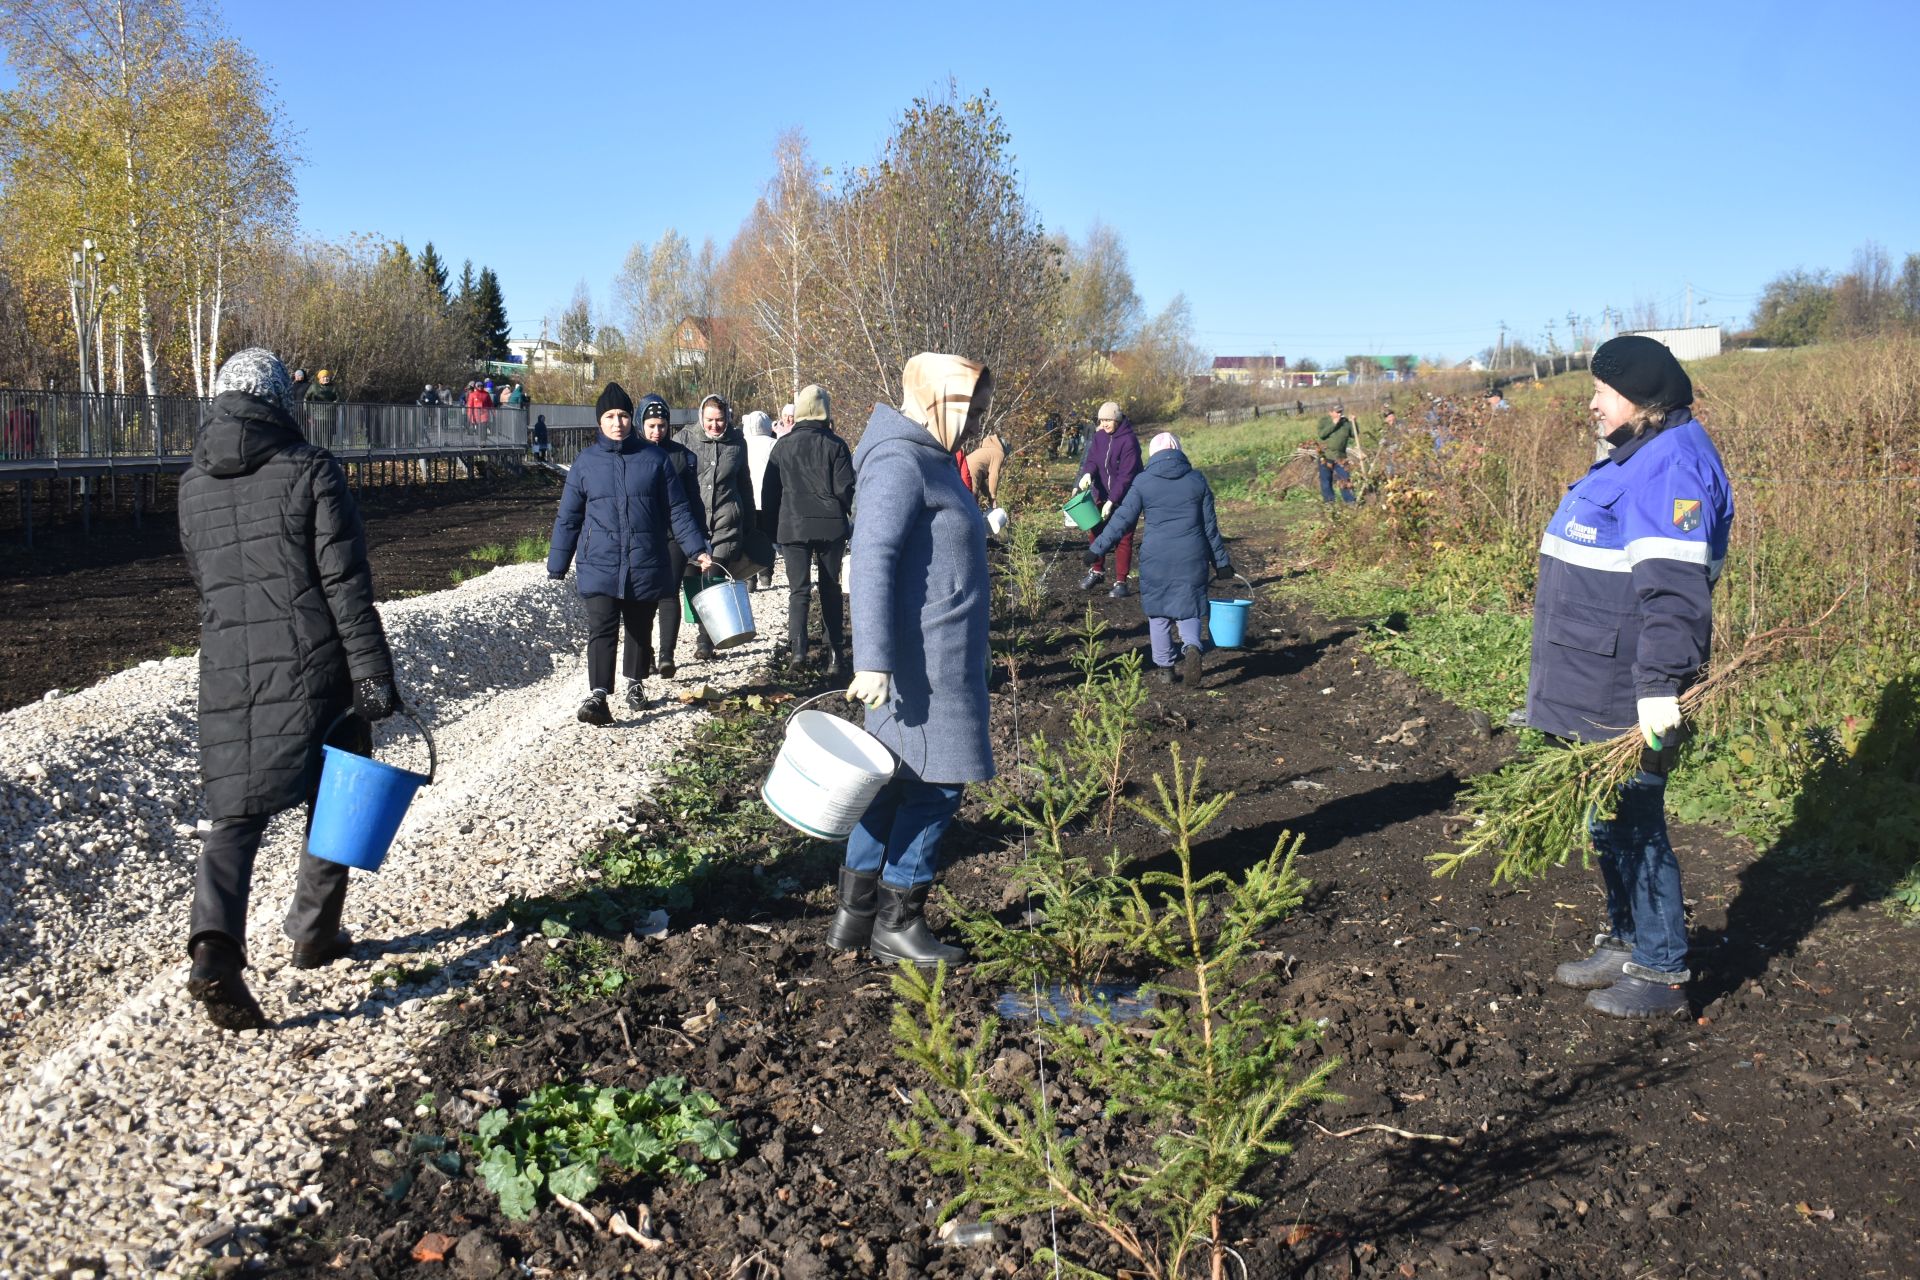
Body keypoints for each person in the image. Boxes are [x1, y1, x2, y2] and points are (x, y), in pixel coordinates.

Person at [174, 348, 403, 1032]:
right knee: (337, 784)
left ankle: (214, 948)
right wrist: (373, 675)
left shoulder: (191, 484)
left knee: (234, 815)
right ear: (280, 401)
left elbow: (206, 581)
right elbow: (344, 584)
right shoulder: (310, 470)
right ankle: (313, 932)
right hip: (313, 661)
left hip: (227, 665)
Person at [1529, 335, 1733, 1020]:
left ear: (1643, 401)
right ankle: (1625, 939)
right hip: (1592, 680)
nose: (1591, 402)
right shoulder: (1638, 453)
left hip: (1625, 689)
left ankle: (1662, 969)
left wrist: (1657, 689)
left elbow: (1673, 593)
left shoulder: (1669, 466)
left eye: (1603, 392)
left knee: (1635, 821)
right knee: (1607, 823)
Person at [834, 353, 994, 966]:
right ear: (940, 398)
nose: (976, 423)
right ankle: (898, 921)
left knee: (893, 787)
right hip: (918, 665)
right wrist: (871, 658)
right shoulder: (900, 460)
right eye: (971, 410)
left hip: (940, 655)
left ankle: (854, 918)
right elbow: (871, 557)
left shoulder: (927, 456)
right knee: (937, 789)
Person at [548, 382, 713, 724]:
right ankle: (598, 696)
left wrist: (696, 548)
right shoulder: (585, 463)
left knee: (639, 625)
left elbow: (678, 509)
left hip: (645, 557)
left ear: (631, 420)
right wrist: (558, 562)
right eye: (610, 416)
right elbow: (569, 516)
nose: (617, 422)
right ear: (600, 422)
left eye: (623, 415)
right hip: (599, 560)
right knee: (602, 626)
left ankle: (635, 682)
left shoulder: (654, 460)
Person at [1085, 432, 1231, 686]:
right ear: (1179, 450)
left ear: (1153, 454)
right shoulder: (1197, 481)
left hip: (1156, 557)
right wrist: (1222, 563)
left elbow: (1121, 520)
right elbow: (1210, 528)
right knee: (1190, 608)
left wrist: (1097, 548)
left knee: (1159, 613)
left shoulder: (1143, 482)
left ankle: (1165, 668)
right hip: (1192, 555)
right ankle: (1192, 646)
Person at [760, 384, 855, 673]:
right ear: (826, 411)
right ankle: (836, 654)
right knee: (830, 587)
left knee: (798, 591)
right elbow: (846, 489)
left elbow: (769, 494)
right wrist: (851, 520)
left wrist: (771, 531)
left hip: (793, 526)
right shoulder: (836, 445)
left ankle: (798, 653)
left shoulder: (782, 446)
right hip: (831, 527)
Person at [681, 394, 759, 662]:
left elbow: (744, 483)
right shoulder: (685, 439)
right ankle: (697, 627)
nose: (715, 425)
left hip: (726, 521)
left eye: (720, 420)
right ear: (701, 418)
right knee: (692, 577)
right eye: (710, 420)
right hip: (694, 522)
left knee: (712, 578)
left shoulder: (737, 443)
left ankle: (706, 640)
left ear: (728, 418)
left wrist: (750, 522)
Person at [634, 395, 703, 681]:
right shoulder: (631, 454)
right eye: (651, 425)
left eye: (661, 425)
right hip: (643, 535)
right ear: (641, 424)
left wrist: (699, 539)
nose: (656, 432)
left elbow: (693, 500)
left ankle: (667, 655)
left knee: (668, 592)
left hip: (674, 534)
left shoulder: (682, 456)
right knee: (643, 598)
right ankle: (645, 653)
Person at [1075, 401, 1142, 597]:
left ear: (1117, 419)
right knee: (1096, 531)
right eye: (1101, 420)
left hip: (1126, 497)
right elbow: (1093, 460)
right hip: (1101, 493)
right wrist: (1087, 474)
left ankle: (1121, 582)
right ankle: (1097, 571)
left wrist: (1112, 501)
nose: (1104, 424)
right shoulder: (1099, 437)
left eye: (1108, 420)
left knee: (1123, 537)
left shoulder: (1129, 441)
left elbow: (1126, 476)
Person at [740, 410, 778, 589]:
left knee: (748, 537)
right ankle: (766, 573)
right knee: (767, 537)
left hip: (747, 498)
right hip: (768, 498)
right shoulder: (774, 444)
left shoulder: (742, 444)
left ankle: (749, 576)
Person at [1316, 402, 1356, 504]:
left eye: (1341, 412)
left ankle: (1350, 502)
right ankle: (1329, 503)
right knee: (1326, 481)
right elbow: (1322, 435)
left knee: (1345, 479)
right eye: (1337, 412)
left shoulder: (1346, 423)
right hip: (1326, 456)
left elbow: (1355, 434)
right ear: (1330, 412)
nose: (1339, 414)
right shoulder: (1324, 421)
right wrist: (1334, 423)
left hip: (1341, 457)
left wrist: (1354, 423)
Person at [304, 368, 340, 448]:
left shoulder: (333, 387)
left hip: (331, 415)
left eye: (327, 377)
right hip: (317, 415)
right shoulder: (314, 387)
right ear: (320, 378)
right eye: (324, 377)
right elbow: (306, 399)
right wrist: (308, 412)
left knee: (329, 434)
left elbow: (339, 399)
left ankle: (328, 449)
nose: (326, 379)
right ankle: (320, 449)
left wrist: (333, 405)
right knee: (319, 433)